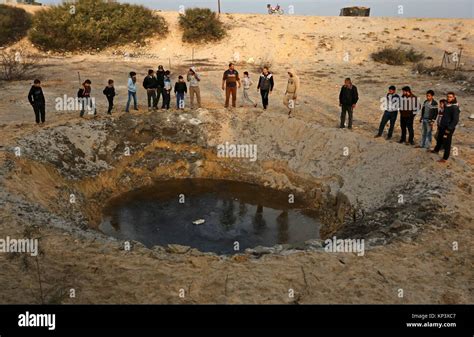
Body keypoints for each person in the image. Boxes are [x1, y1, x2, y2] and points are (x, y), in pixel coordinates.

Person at [431, 92, 460, 163]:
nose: (448, 98)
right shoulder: (447, 105)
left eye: (450, 97)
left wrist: (449, 129)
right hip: (442, 126)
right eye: (448, 97)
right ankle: (436, 150)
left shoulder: (454, 107)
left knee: (447, 142)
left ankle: (445, 158)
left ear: (453, 97)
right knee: (439, 139)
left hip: (448, 128)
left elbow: (455, 120)